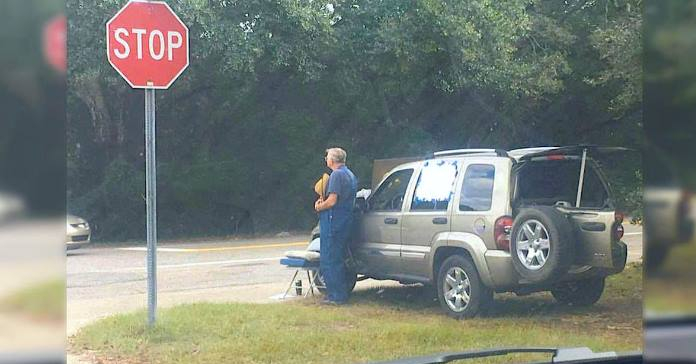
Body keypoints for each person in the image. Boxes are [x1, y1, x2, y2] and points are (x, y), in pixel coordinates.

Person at [314, 147, 357, 305]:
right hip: (344, 220)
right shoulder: (349, 174)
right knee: (337, 257)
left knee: (330, 259)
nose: (326, 159)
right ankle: (340, 293)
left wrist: (320, 206)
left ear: (332, 160)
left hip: (333, 221)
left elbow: (332, 201)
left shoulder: (336, 175)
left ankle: (336, 296)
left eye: (327, 157)